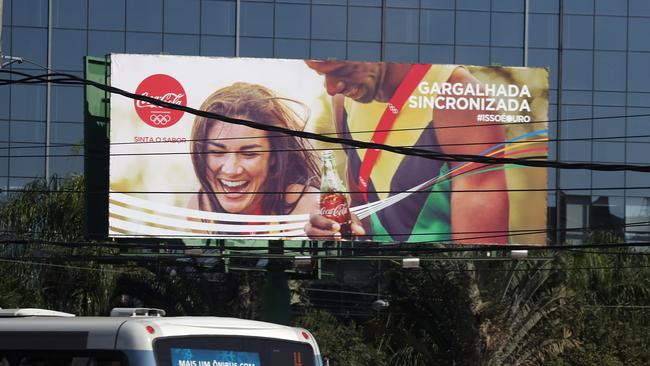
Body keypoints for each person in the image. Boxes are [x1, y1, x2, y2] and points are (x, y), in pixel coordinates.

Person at [304, 60, 509, 244]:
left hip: (440, 281)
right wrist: (338, 229)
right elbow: (363, 209)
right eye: (321, 74)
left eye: (343, 70)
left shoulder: (458, 94)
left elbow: (482, 258)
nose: (331, 88)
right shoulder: (343, 102)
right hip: (379, 278)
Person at [188, 82, 320, 216]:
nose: (231, 170)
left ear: (274, 156)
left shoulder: (307, 206)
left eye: (249, 154)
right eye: (217, 152)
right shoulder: (200, 207)